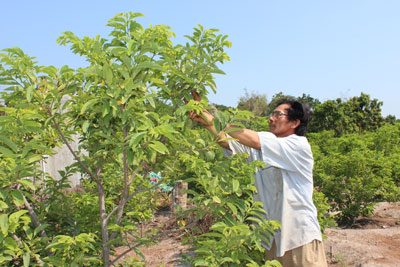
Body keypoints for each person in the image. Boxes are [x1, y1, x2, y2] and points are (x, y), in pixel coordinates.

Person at [187, 92, 327, 267]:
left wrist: (211, 115)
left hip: (300, 237)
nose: (271, 118)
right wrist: (205, 119)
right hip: (273, 239)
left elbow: (253, 139)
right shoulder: (261, 150)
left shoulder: (298, 145)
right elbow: (225, 140)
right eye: (271, 114)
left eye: (278, 115)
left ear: (294, 122)